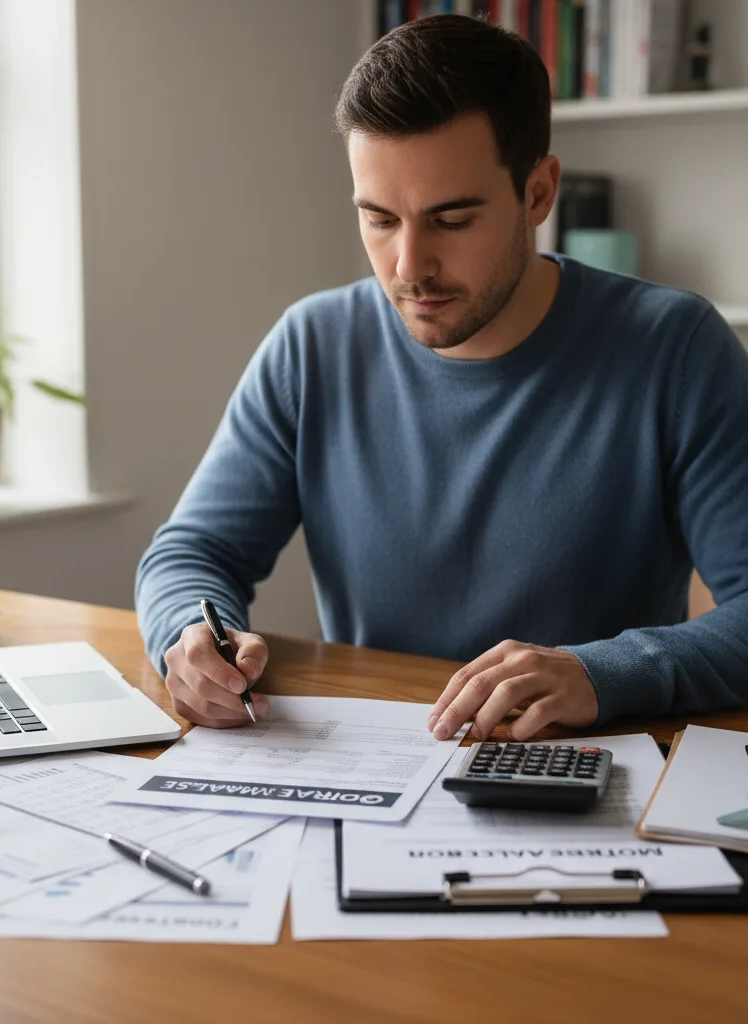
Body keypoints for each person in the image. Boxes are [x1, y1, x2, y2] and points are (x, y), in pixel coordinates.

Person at [135, 15, 748, 741]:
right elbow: (192, 553)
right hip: (377, 765)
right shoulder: (312, 345)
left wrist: (599, 672)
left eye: (452, 220)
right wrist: (190, 636)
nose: (409, 267)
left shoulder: (673, 348)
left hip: (584, 772)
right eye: (380, 219)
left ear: (539, 193)